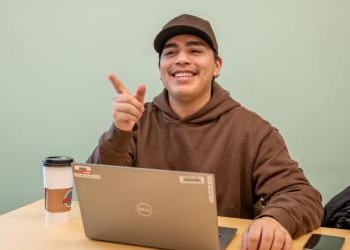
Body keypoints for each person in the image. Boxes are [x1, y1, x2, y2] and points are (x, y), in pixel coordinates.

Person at [88, 14, 323, 250]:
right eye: (170, 53)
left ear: (217, 66)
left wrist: (274, 219)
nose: (181, 60)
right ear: (160, 70)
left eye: (195, 51)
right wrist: (120, 131)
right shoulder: (137, 123)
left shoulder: (253, 131)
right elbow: (96, 193)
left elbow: (302, 195)